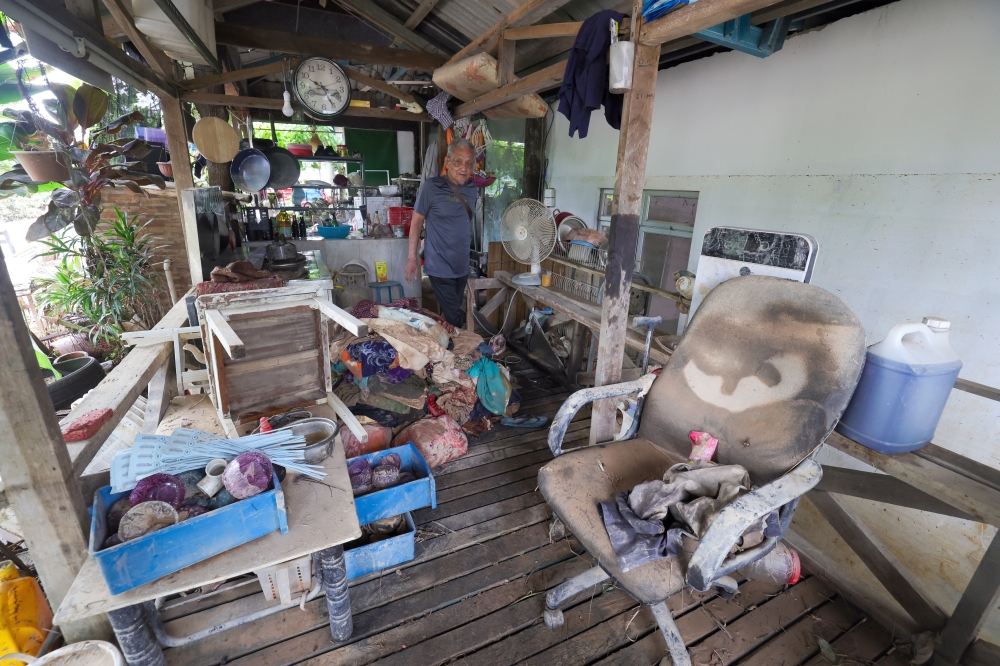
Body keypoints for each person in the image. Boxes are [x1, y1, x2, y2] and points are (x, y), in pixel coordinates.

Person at [404, 138, 478, 328]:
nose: (463, 167)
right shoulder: (432, 187)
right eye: (458, 161)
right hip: (439, 265)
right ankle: (461, 351)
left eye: (469, 163)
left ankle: (444, 348)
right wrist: (412, 259)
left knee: (449, 313)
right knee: (455, 317)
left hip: (461, 265)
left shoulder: (472, 189)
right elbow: (416, 223)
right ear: (447, 162)